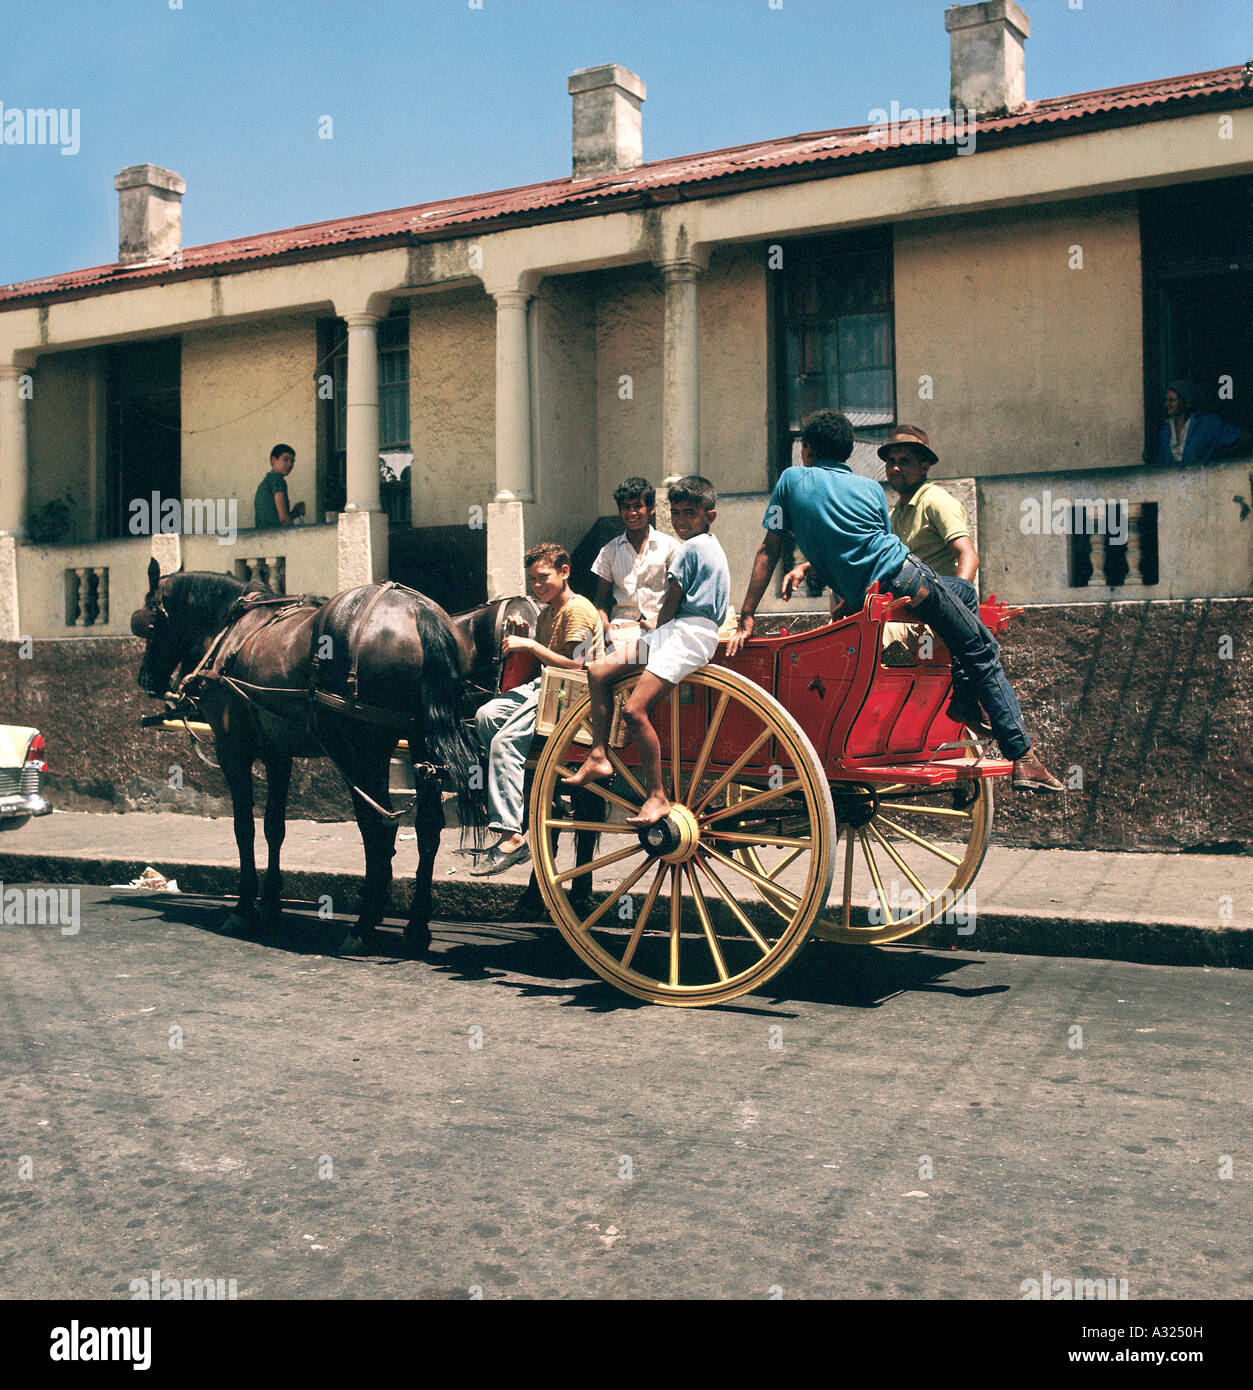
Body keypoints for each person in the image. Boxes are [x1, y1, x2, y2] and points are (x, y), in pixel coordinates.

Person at [726, 409, 1063, 793]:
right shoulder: (870, 490)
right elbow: (882, 549)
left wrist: (748, 614)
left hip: (887, 589)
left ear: (807, 450)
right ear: (848, 454)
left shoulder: (791, 480)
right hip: (908, 579)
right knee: (982, 648)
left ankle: (974, 704)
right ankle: (1021, 754)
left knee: (966, 600)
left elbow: (770, 549)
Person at [564, 476, 730, 825]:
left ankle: (657, 796)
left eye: (690, 514)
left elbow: (673, 599)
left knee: (635, 710)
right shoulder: (707, 546)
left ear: (709, 516)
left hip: (686, 633)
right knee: (598, 671)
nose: (682, 522)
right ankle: (598, 756)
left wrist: (657, 626)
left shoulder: (686, 548)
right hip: (674, 631)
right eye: (677, 514)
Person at [471, 542, 604, 876]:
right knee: (485, 716)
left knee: (504, 743)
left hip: (577, 694)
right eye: (532, 580)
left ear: (564, 571)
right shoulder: (547, 614)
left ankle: (510, 836)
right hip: (547, 688)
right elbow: (544, 663)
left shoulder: (580, 610)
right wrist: (526, 636)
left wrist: (529, 644)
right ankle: (527, 786)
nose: (537, 585)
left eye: (543, 577)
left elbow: (576, 666)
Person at [591, 477, 680, 650]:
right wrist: (606, 627)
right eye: (626, 507)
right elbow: (600, 600)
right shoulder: (609, 551)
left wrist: (659, 621)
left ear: (651, 509)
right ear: (619, 512)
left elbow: (678, 596)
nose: (632, 513)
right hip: (621, 630)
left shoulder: (670, 546)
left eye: (637, 506)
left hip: (661, 626)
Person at [1156, 380, 1252, 465]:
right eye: (1166, 400)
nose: (1167, 404)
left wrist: (1218, 455)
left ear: (1187, 403)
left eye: (1172, 400)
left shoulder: (1207, 423)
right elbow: (1160, 463)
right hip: (1171, 483)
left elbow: (1244, 437)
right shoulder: (1166, 429)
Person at [254, 444, 306, 528]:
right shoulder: (277, 480)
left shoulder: (267, 481)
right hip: (274, 536)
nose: (290, 464)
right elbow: (284, 519)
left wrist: (295, 512)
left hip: (264, 535)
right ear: (273, 460)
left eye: (292, 461)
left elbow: (276, 518)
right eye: (285, 459)